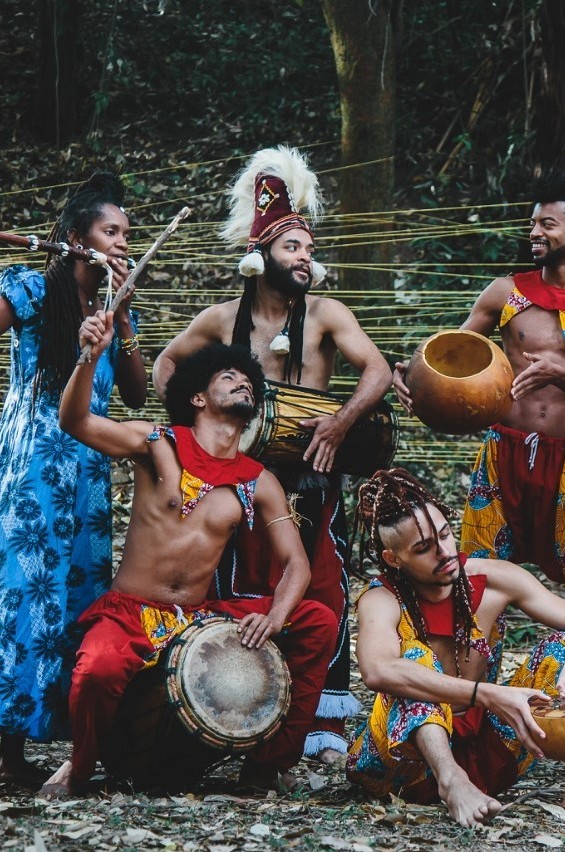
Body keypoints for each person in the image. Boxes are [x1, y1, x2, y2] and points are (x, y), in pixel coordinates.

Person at [392, 174, 565, 778]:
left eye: (547, 224)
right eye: (533, 224)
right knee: (469, 588)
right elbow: (452, 353)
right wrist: (413, 379)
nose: (534, 233)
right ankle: (465, 719)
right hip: (500, 458)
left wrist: (564, 378)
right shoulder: (507, 293)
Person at [153, 146, 392, 762]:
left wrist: (339, 423)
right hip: (239, 480)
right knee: (236, 583)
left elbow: (378, 370)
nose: (305, 259)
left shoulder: (327, 317)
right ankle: (230, 708)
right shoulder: (221, 319)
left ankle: (318, 727)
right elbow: (166, 366)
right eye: (293, 249)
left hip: (311, 475)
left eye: (309, 250)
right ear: (261, 258)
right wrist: (195, 432)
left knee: (323, 592)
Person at [40, 320, 337, 798]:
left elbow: (297, 566)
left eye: (248, 381)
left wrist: (276, 618)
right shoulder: (155, 442)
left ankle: (266, 766)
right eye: (228, 377)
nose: (243, 382)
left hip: (196, 616)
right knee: (96, 669)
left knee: (318, 620)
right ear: (197, 398)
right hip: (132, 611)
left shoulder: (260, 480)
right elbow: (74, 422)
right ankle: (79, 766)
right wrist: (90, 355)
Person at [345, 468, 565, 827]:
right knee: (413, 665)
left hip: (490, 756)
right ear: (394, 559)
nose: (444, 552)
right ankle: (452, 782)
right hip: (403, 769)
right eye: (424, 548)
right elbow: (378, 670)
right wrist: (487, 694)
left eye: (445, 535)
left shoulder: (492, 578)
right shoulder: (381, 599)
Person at [0, 172, 147, 787]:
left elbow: (138, 390)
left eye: (126, 234)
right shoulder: (35, 288)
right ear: (73, 237)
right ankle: (7, 744)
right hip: (34, 461)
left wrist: (123, 316)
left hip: (88, 470)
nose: (120, 242)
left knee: (76, 593)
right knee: (26, 590)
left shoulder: (114, 304)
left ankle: (61, 732)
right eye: (109, 231)